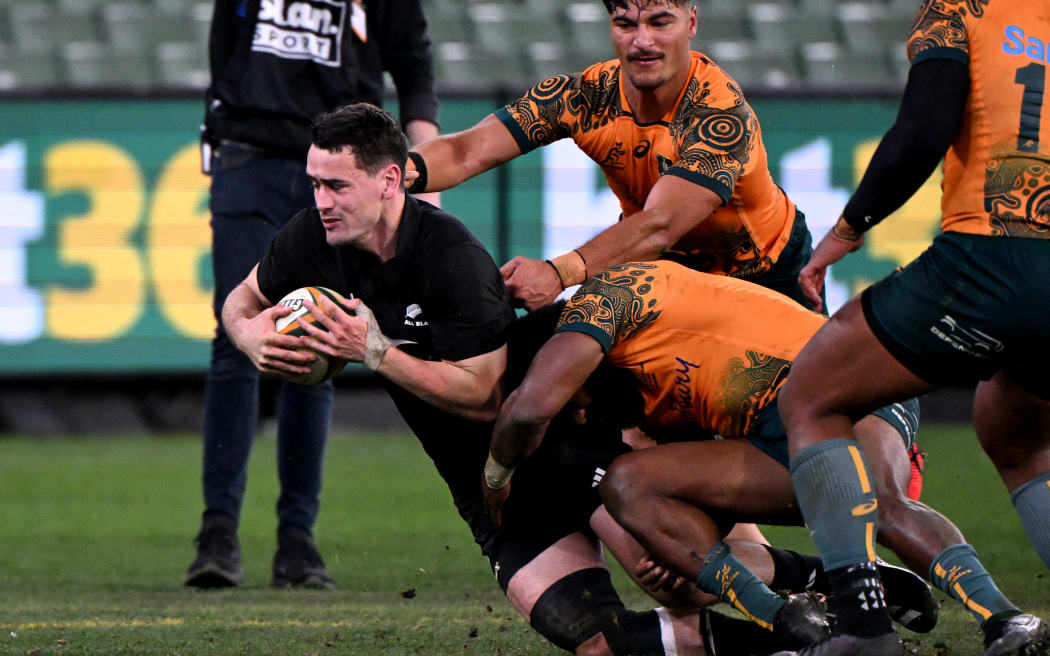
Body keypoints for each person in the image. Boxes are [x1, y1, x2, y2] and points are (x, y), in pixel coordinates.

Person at [221, 102, 724, 655]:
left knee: (686, 586)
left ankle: (812, 605)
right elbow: (242, 298)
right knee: (595, 643)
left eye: (336, 186)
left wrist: (376, 351)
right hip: (480, 488)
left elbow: (487, 398)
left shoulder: (451, 259)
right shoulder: (313, 239)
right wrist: (249, 337)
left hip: (558, 453)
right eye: (315, 184)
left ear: (390, 181)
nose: (321, 201)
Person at [774, 0, 1050, 654]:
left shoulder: (960, 7)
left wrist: (846, 230)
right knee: (1017, 432)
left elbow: (923, 132)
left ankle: (864, 629)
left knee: (811, 394)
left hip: (987, 257)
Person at [483, 261, 952, 644]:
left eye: (572, 407)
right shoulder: (606, 382)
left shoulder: (625, 344)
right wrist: (678, 542)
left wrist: (495, 479)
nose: (579, 416)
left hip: (805, 411)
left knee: (681, 569)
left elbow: (710, 473)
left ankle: (975, 611)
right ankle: (810, 606)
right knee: (683, 571)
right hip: (767, 421)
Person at [185, 0, 440, 589]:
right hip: (248, 152)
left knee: (317, 337)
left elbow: (413, 67)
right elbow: (226, 48)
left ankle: (296, 538)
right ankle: (218, 531)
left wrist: (425, 174)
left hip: (339, 165)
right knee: (238, 335)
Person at [406, 0, 823, 313]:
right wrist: (393, 174)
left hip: (767, 276)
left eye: (660, 22)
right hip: (660, 268)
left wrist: (558, 273)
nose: (642, 41)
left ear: (691, 22)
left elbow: (660, 224)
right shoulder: (587, 96)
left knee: (799, 415)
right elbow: (465, 150)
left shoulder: (719, 114)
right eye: (625, 24)